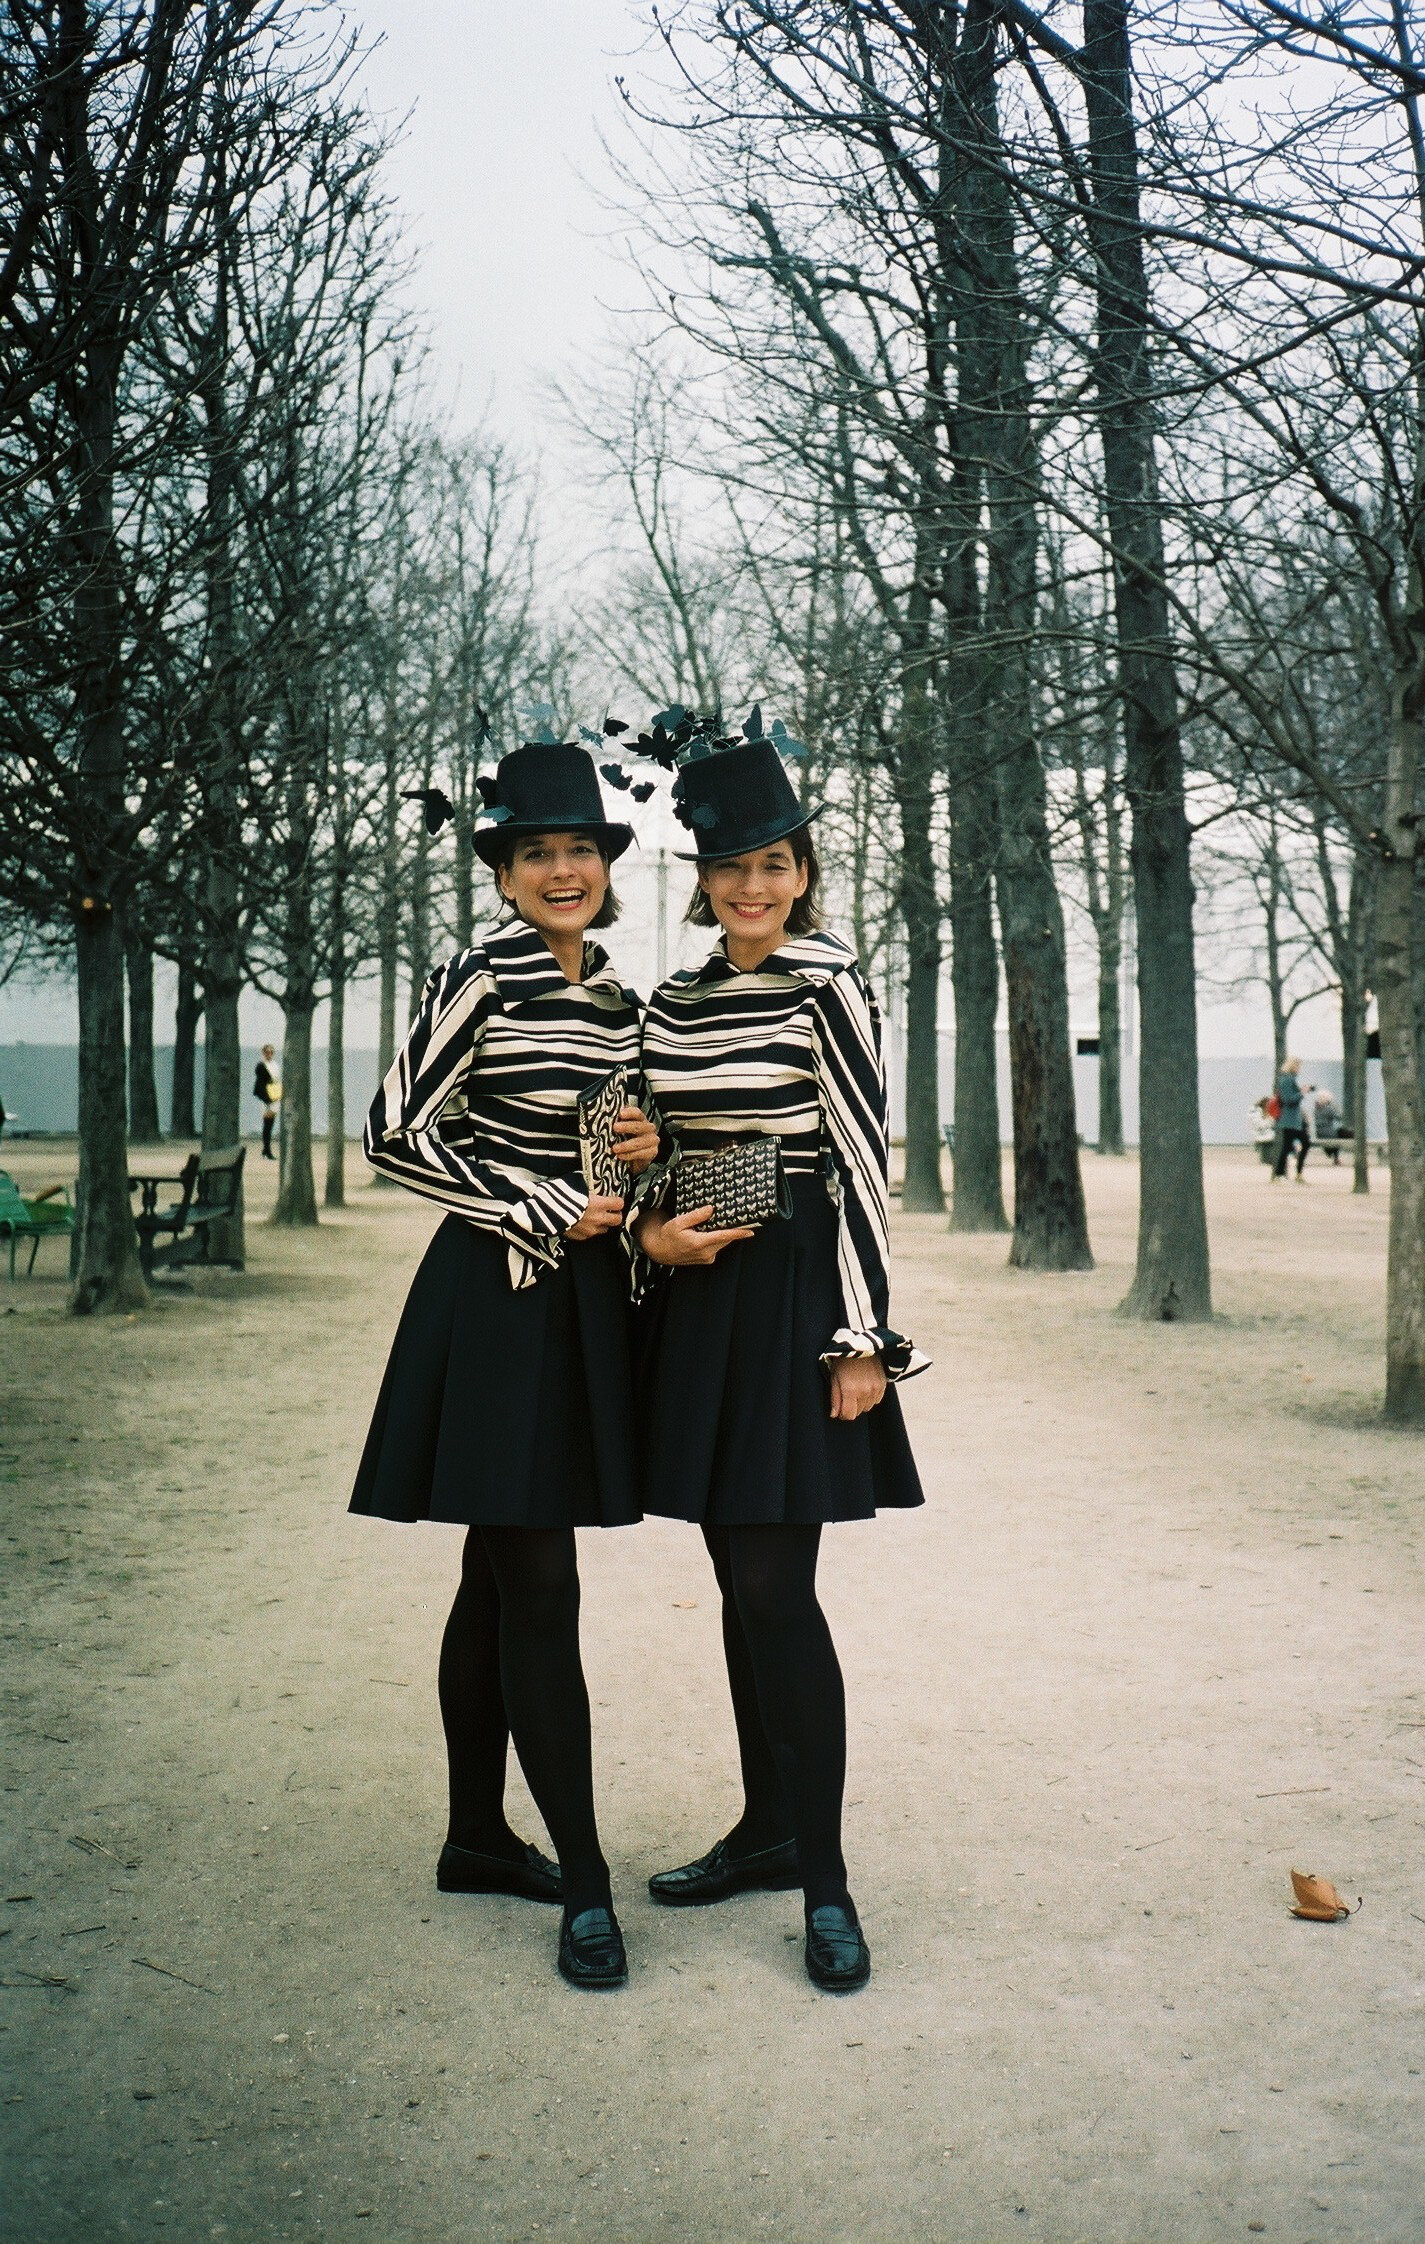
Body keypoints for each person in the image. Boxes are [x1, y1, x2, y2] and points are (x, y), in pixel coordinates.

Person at [348, 741, 661, 1991]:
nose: (560, 868)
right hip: (497, 1297)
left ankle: (475, 1836)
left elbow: (615, 1142)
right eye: (535, 852)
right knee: (539, 1584)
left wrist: (636, 1145)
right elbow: (389, 1132)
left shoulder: (619, 999)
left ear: (605, 864)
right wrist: (532, 1201)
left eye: (578, 848)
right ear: (504, 873)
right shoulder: (479, 974)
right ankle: (584, 1882)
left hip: (586, 1303)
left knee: (496, 1573)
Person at [636, 730, 927, 1996]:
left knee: (775, 1590)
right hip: (698, 1300)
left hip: (799, 1290)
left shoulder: (830, 985)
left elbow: (861, 1160)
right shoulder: (674, 1000)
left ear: (803, 872)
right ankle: (763, 1830)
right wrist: (650, 1217)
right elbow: (642, 1142)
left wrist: (860, 1337)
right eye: (728, 870)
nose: (751, 888)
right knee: (730, 1579)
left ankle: (826, 1880)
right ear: (698, 881)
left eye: (772, 865)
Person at [1271, 1056, 1312, 1182]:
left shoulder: (1287, 1079)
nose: (1299, 1069)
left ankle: (1281, 1174)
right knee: (1301, 1143)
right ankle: (1288, 1174)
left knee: (1288, 1146)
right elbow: (1288, 1100)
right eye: (1298, 1066)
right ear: (1293, 1066)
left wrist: (1300, 1091)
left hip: (1290, 1120)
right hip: (1290, 1120)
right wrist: (1302, 1093)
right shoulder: (1288, 1080)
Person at [253, 1045, 280, 1160]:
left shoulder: (275, 1065)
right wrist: (266, 1098)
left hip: (274, 1094)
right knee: (267, 1123)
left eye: (271, 1052)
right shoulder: (260, 1066)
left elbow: (277, 1079)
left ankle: (265, 1149)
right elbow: (260, 1083)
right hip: (265, 1096)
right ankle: (267, 1149)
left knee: (271, 1123)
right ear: (263, 1053)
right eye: (267, 1052)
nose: (269, 1054)